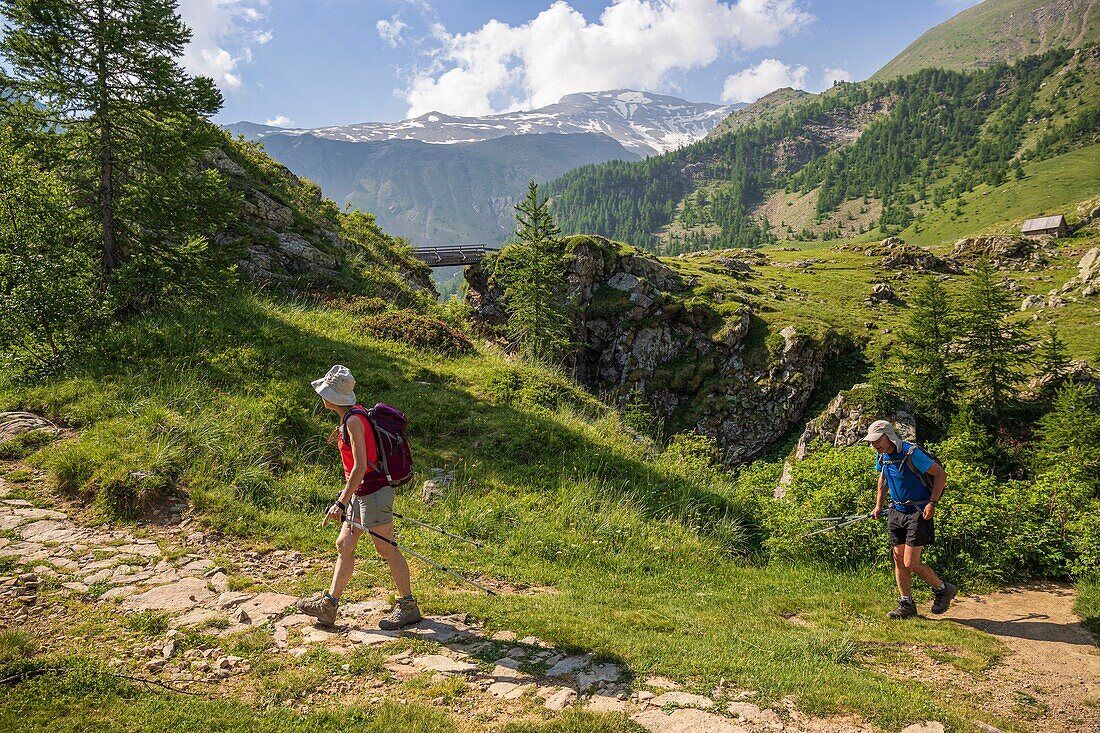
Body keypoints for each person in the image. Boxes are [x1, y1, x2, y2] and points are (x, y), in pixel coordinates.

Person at [296, 365, 423, 630]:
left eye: (325, 392)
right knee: (344, 544)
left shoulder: (354, 420)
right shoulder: (352, 416)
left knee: (385, 547)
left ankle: (408, 607)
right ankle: (329, 606)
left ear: (334, 397)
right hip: (362, 491)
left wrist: (341, 501)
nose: (322, 396)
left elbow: (361, 465)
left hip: (374, 491)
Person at [865, 419, 957, 619]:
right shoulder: (882, 457)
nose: (874, 445)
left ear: (888, 436)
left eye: (877, 440)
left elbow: (940, 474)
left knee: (910, 562)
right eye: (872, 442)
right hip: (896, 511)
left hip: (918, 511)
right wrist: (879, 506)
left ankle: (943, 588)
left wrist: (932, 502)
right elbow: (883, 479)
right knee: (898, 560)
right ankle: (906, 604)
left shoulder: (910, 453)